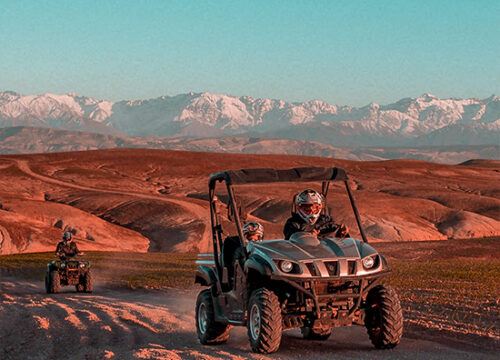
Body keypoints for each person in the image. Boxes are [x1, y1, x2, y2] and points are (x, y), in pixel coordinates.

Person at [283, 189, 349, 240]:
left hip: (326, 254)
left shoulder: (326, 220)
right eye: (306, 208)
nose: (311, 210)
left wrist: (343, 233)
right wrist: (307, 237)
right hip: (303, 255)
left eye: (315, 208)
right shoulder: (293, 223)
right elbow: (291, 236)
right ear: (299, 208)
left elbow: (336, 239)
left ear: (320, 207)